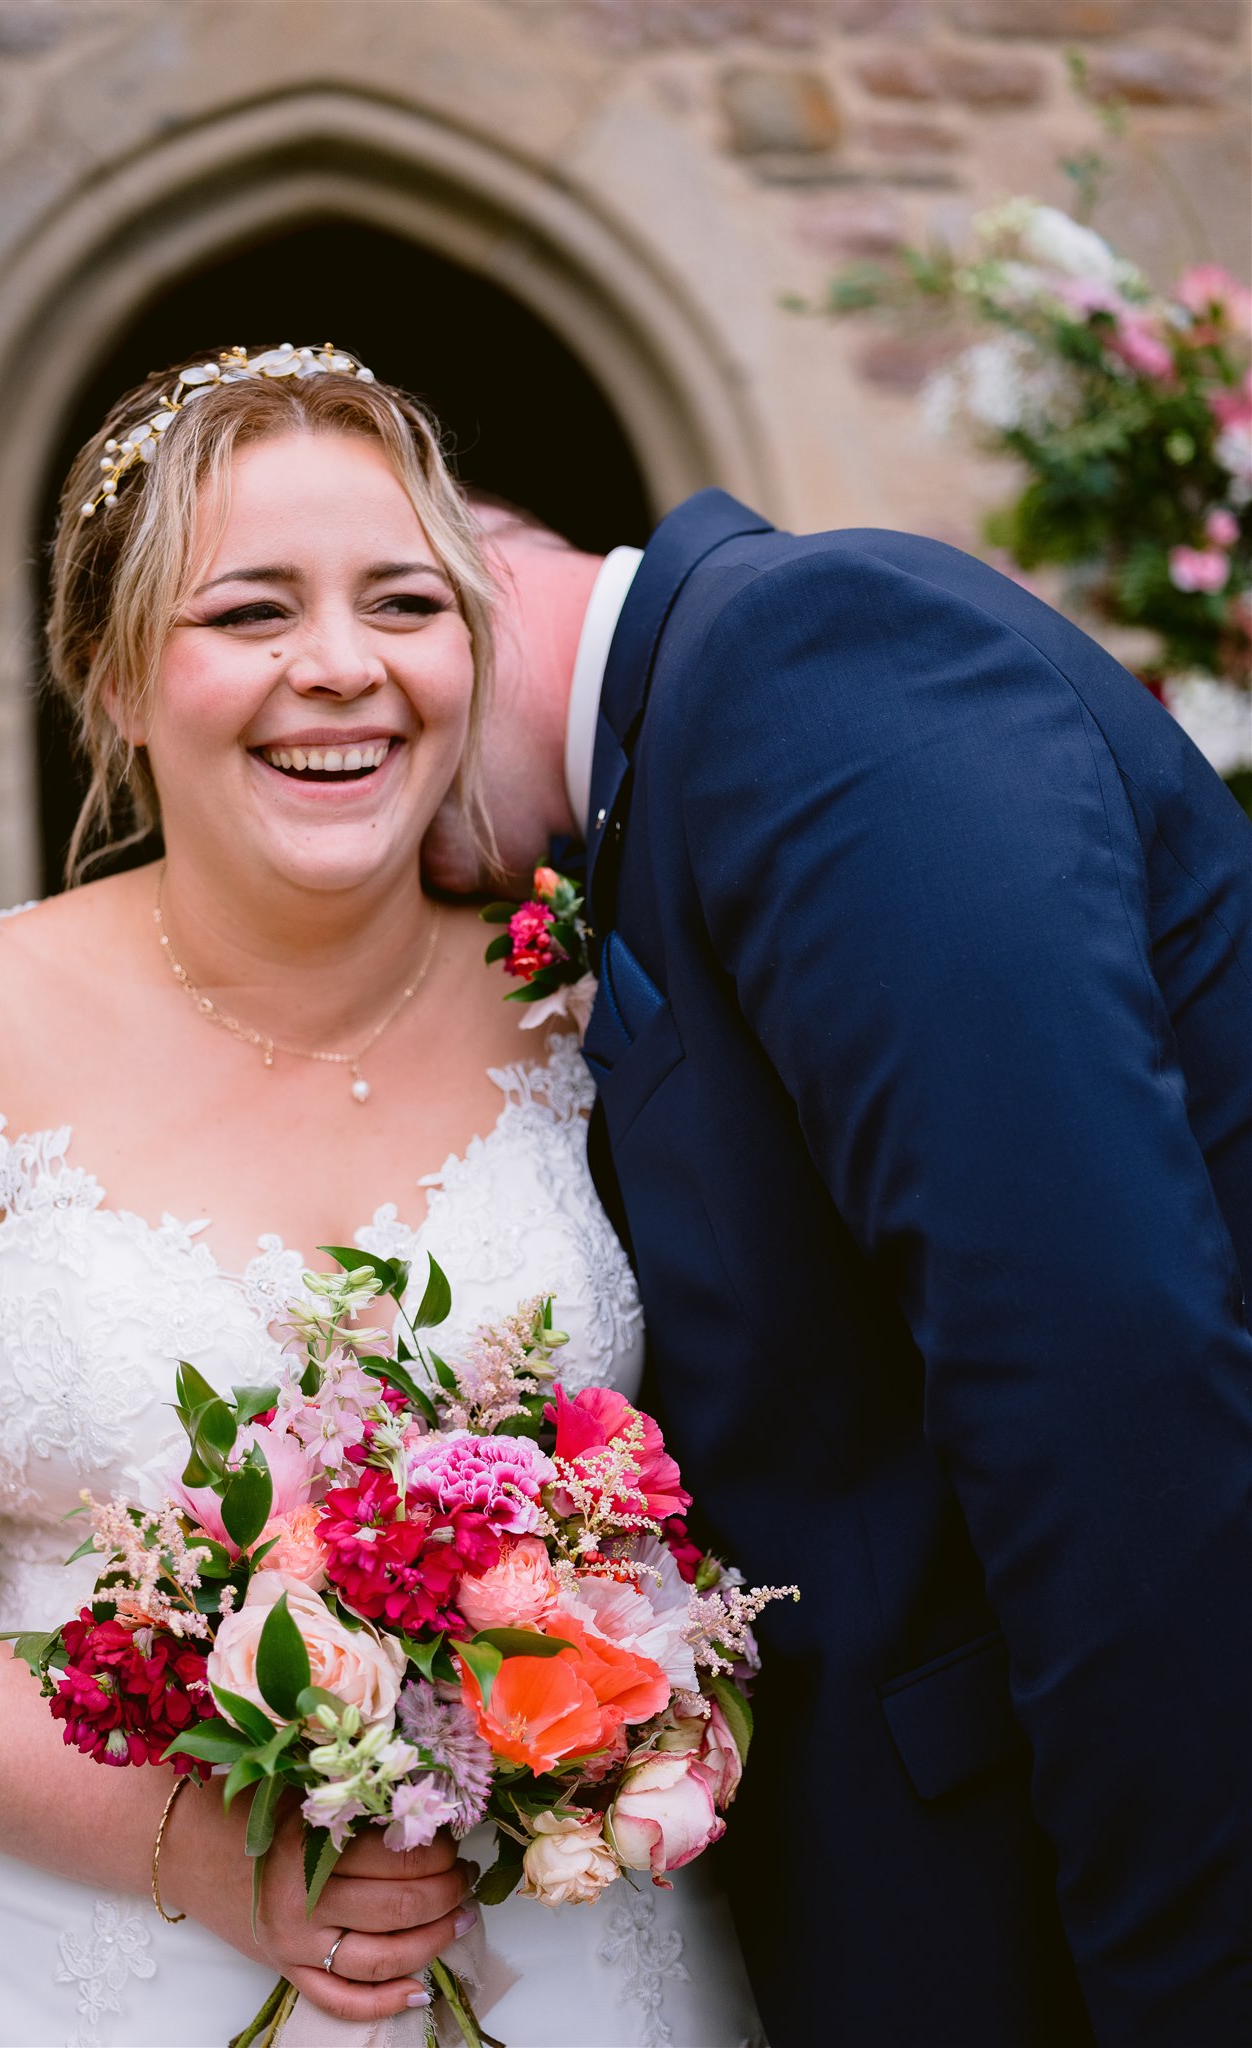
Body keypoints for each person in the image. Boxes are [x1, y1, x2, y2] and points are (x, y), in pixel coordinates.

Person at [0, 351, 759, 2048]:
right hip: (55, 1960)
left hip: (565, 1953)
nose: (338, 670)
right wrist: (192, 1845)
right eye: (249, 614)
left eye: (404, 602)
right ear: (115, 678)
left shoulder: (595, 1015)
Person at [423, 489, 1252, 2047]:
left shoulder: (813, 664)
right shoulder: (677, 748)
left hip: (1097, 1912)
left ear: (452, 564)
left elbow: (1095, 1378)